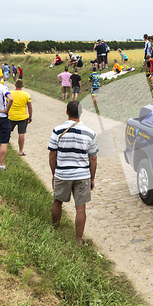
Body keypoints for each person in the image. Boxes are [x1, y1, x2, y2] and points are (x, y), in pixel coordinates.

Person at [48, 100, 98, 246]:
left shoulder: (57, 130)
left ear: (67, 112)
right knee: (81, 207)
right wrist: (92, 178)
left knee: (57, 201)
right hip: (83, 175)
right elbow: (93, 158)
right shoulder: (90, 133)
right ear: (81, 112)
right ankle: (78, 240)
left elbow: (52, 155)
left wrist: (54, 173)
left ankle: (54, 230)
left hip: (62, 173)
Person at [9, 79, 32, 156]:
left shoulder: (10, 93)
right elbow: (29, 107)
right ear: (22, 86)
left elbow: (6, 104)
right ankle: (21, 151)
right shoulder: (26, 94)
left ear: (15, 85)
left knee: (8, 131)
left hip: (11, 116)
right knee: (21, 133)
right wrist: (30, 116)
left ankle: (5, 146)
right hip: (22, 117)